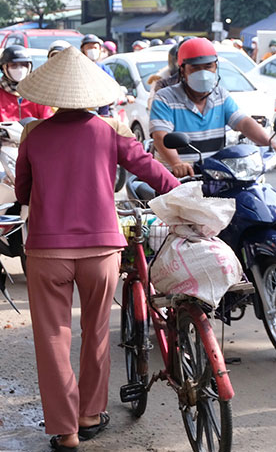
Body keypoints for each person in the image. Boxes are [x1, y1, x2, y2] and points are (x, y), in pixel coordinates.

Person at [15, 46, 179, 452]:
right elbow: (150, 170)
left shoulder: (34, 134)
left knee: (53, 337)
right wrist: (182, 192)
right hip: (102, 249)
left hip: (46, 251)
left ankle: (65, 429)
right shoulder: (111, 130)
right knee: (96, 331)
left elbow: (21, 189)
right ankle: (90, 414)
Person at [149, 37, 276, 178]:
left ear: (216, 67)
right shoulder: (165, 98)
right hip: (175, 180)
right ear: (182, 70)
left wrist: (272, 144)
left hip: (214, 177)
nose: (203, 73)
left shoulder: (220, 95)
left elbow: (243, 122)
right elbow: (161, 136)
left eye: (208, 66)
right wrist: (176, 163)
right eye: (195, 68)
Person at [0, 45, 54, 121]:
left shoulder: (39, 92)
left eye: (24, 65)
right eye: (13, 65)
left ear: (29, 67)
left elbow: (48, 120)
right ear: (4, 68)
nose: (19, 70)